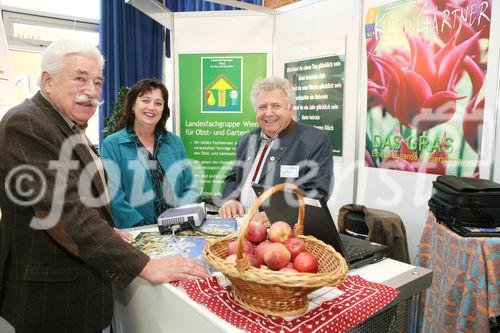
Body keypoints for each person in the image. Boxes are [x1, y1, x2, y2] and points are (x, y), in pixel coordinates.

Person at [0, 38, 208, 333]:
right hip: (51, 297)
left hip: (79, 284)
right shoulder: (28, 124)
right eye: (80, 78)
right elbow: (67, 212)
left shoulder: (67, 126)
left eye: (97, 82)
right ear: (47, 81)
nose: (91, 91)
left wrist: (106, 229)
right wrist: (146, 265)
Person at [219, 76, 334, 218]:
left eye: (275, 105)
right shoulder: (246, 140)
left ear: (290, 108)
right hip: (243, 227)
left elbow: (317, 193)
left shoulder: (314, 141)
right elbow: (233, 178)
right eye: (262, 107)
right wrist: (230, 199)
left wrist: (280, 214)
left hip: (285, 234)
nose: (268, 113)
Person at [100, 78, 199, 229]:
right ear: (133, 105)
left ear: (163, 110)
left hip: (177, 230)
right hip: (135, 233)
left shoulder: (175, 142)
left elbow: (190, 186)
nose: (151, 107)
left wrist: (181, 220)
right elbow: (115, 197)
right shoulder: (112, 144)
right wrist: (143, 229)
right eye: (145, 100)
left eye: (158, 103)